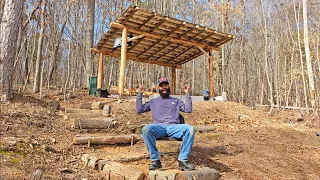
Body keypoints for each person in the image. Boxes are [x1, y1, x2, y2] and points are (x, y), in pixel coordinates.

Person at [136, 77, 195, 171]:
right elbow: (139, 110)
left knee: (190, 129)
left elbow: (188, 109)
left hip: (174, 127)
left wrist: (187, 93)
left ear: (169, 86)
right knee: (146, 129)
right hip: (159, 128)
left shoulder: (176, 101)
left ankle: (183, 161)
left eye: (166, 85)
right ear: (158, 88)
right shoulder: (153, 101)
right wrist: (140, 93)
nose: (164, 87)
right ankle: (155, 161)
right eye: (162, 86)